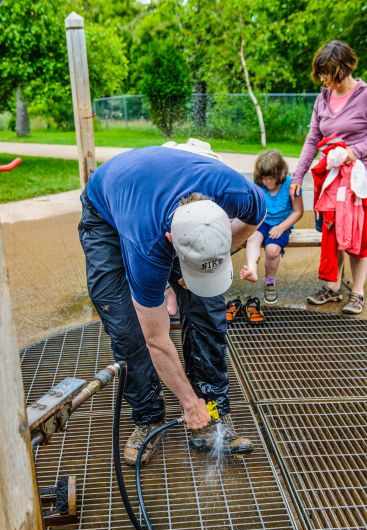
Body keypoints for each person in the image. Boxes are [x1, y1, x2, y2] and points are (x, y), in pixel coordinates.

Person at [78, 145, 266, 465]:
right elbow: (156, 340)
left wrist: (207, 264)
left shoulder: (237, 192)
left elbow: (253, 222)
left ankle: (212, 414)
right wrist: (186, 400)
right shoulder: (146, 247)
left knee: (207, 310)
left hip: (157, 193)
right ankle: (147, 417)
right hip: (105, 211)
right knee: (127, 326)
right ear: (169, 241)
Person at [292, 40, 367, 314]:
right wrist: (298, 175)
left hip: (358, 179)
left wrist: (353, 152)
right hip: (330, 177)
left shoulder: (364, 95)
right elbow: (313, 138)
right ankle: (333, 286)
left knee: (357, 234)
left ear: (344, 68)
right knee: (332, 230)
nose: (324, 80)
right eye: (321, 73)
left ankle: (357, 292)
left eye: (328, 73)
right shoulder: (323, 97)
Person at [240, 151, 303, 303]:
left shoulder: (291, 184)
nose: (267, 181)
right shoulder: (257, 186)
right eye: (264, 178)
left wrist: (281, 227)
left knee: (272, 250)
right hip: (262, 221)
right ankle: (251, 270)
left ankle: (269, 282)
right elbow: (253, 209)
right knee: (253, 238)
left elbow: (298, 212)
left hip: (282, 223)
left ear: (280, 173)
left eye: (271, 178)